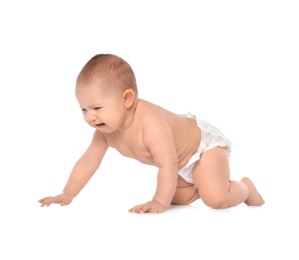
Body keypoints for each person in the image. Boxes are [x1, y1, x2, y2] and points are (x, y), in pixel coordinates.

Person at [38, 54, 265, 213]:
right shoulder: (105, 131)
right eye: (84, 109)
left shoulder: (151, 123)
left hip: (203, 148)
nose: (90, 117)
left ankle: (245, 188)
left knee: (215, 198)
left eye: (97, 108)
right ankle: (203, 181)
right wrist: (68, 193)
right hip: (180, 163)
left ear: (126, 99)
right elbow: (88, 162)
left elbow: (168, 163)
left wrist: (158, 202)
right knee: (178, 198)